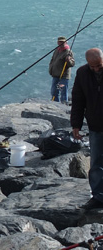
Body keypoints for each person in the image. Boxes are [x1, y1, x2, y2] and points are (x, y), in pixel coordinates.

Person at [71, 48, 103, 209]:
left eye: (99, 65)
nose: (96, 69)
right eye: (93, 66)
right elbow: (77, 100)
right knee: (96, 163)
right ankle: (98, 196)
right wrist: (76, 124)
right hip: (96, 125)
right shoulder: (82, 73)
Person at [49, 36, 75, 104]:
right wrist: (51, 69)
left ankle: (64, 105)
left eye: (63, 42)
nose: (61, 43)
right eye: (60, 42)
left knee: (63, 91)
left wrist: (68, 60)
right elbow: (53, 60)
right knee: (54, 91)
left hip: (63, 75)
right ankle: (55, 104)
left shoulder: (68, 52)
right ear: (58, 42)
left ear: (66, 42)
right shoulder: (56, 50)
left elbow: (72, 64)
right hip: (55, 74)